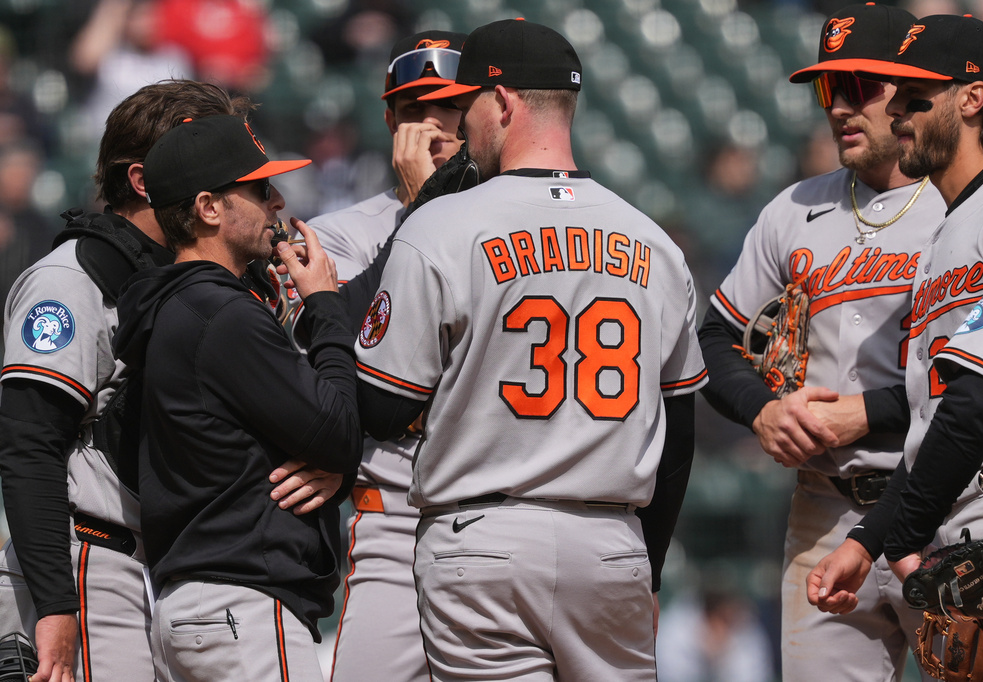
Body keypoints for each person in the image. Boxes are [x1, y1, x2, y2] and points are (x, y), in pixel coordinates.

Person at [353, 18, 707, 680]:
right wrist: (646, 567)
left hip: (481, 541)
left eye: (466, 106)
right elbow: (678, 435)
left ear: (504, 101)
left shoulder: (441, 225)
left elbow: (378, 407)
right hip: (611, 544)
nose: (458, 127)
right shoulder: (655, 241)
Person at [0, 80, 328, 682]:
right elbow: (29, 446)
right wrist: (53, 607)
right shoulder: (71, 281)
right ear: (144, 179)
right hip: (85, 560)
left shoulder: (212, 284)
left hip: (172, 570)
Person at [696, 4, 948, 680]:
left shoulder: (969, 205)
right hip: (826, 507)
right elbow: (715, 336)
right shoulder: (794, 209)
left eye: (861, 86)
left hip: (951, 503)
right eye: (827, 88)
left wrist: (867, 413)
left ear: (914, 92)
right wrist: (762, 409)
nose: (840, 106)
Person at [111, 114, 362, 681]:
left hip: (196, 603)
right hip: (242, 603)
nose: (276, 201)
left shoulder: (174, 305)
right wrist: (324, 305)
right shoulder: (219, 311)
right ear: (208, 208)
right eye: (257, 189)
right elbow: (339, 431)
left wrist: (333, 465)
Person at [806, 13, 983, 615]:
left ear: (974, 98)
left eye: (915, 99)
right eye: (894, 99)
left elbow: (979, 402)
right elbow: (931, 426)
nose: (896, 114)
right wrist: (867, 540)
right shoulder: (944, 235)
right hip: (965, 516)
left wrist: (904, 539)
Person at [301, 29, 466, 682]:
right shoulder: (342, 231)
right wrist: (424, 207)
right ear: (390, 117)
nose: (433, 122)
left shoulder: (512, 219)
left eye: (449, 105)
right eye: (415, 105)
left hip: (499, 499)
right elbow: (334, 344)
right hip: (394, 505)